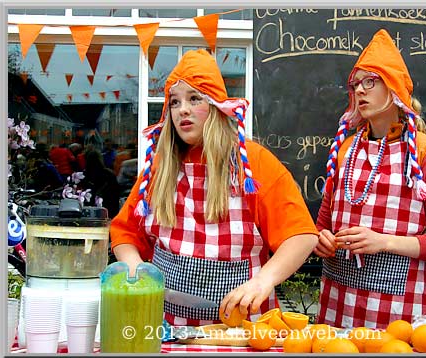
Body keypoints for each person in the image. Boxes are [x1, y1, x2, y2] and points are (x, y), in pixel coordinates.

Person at [110, 49, 318, 326]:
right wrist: (136, 269)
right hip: (166, 326)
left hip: (244, 329)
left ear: (217, 107)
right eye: (174, 102)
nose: (182, 109)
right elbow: (125, 233)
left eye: (194, 98)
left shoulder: (252, 163)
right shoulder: (160, 167)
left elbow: (301, 236)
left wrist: (263, 281)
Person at [314, 29, 426, 330]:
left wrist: (384, 242)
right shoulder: (343, 151)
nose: (360, 91)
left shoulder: (425, 155)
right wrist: (322, 241)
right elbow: (321, 226)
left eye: (371, 81)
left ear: (393, 88)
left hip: (397, 315)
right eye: (356, 84)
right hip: (336, 307)